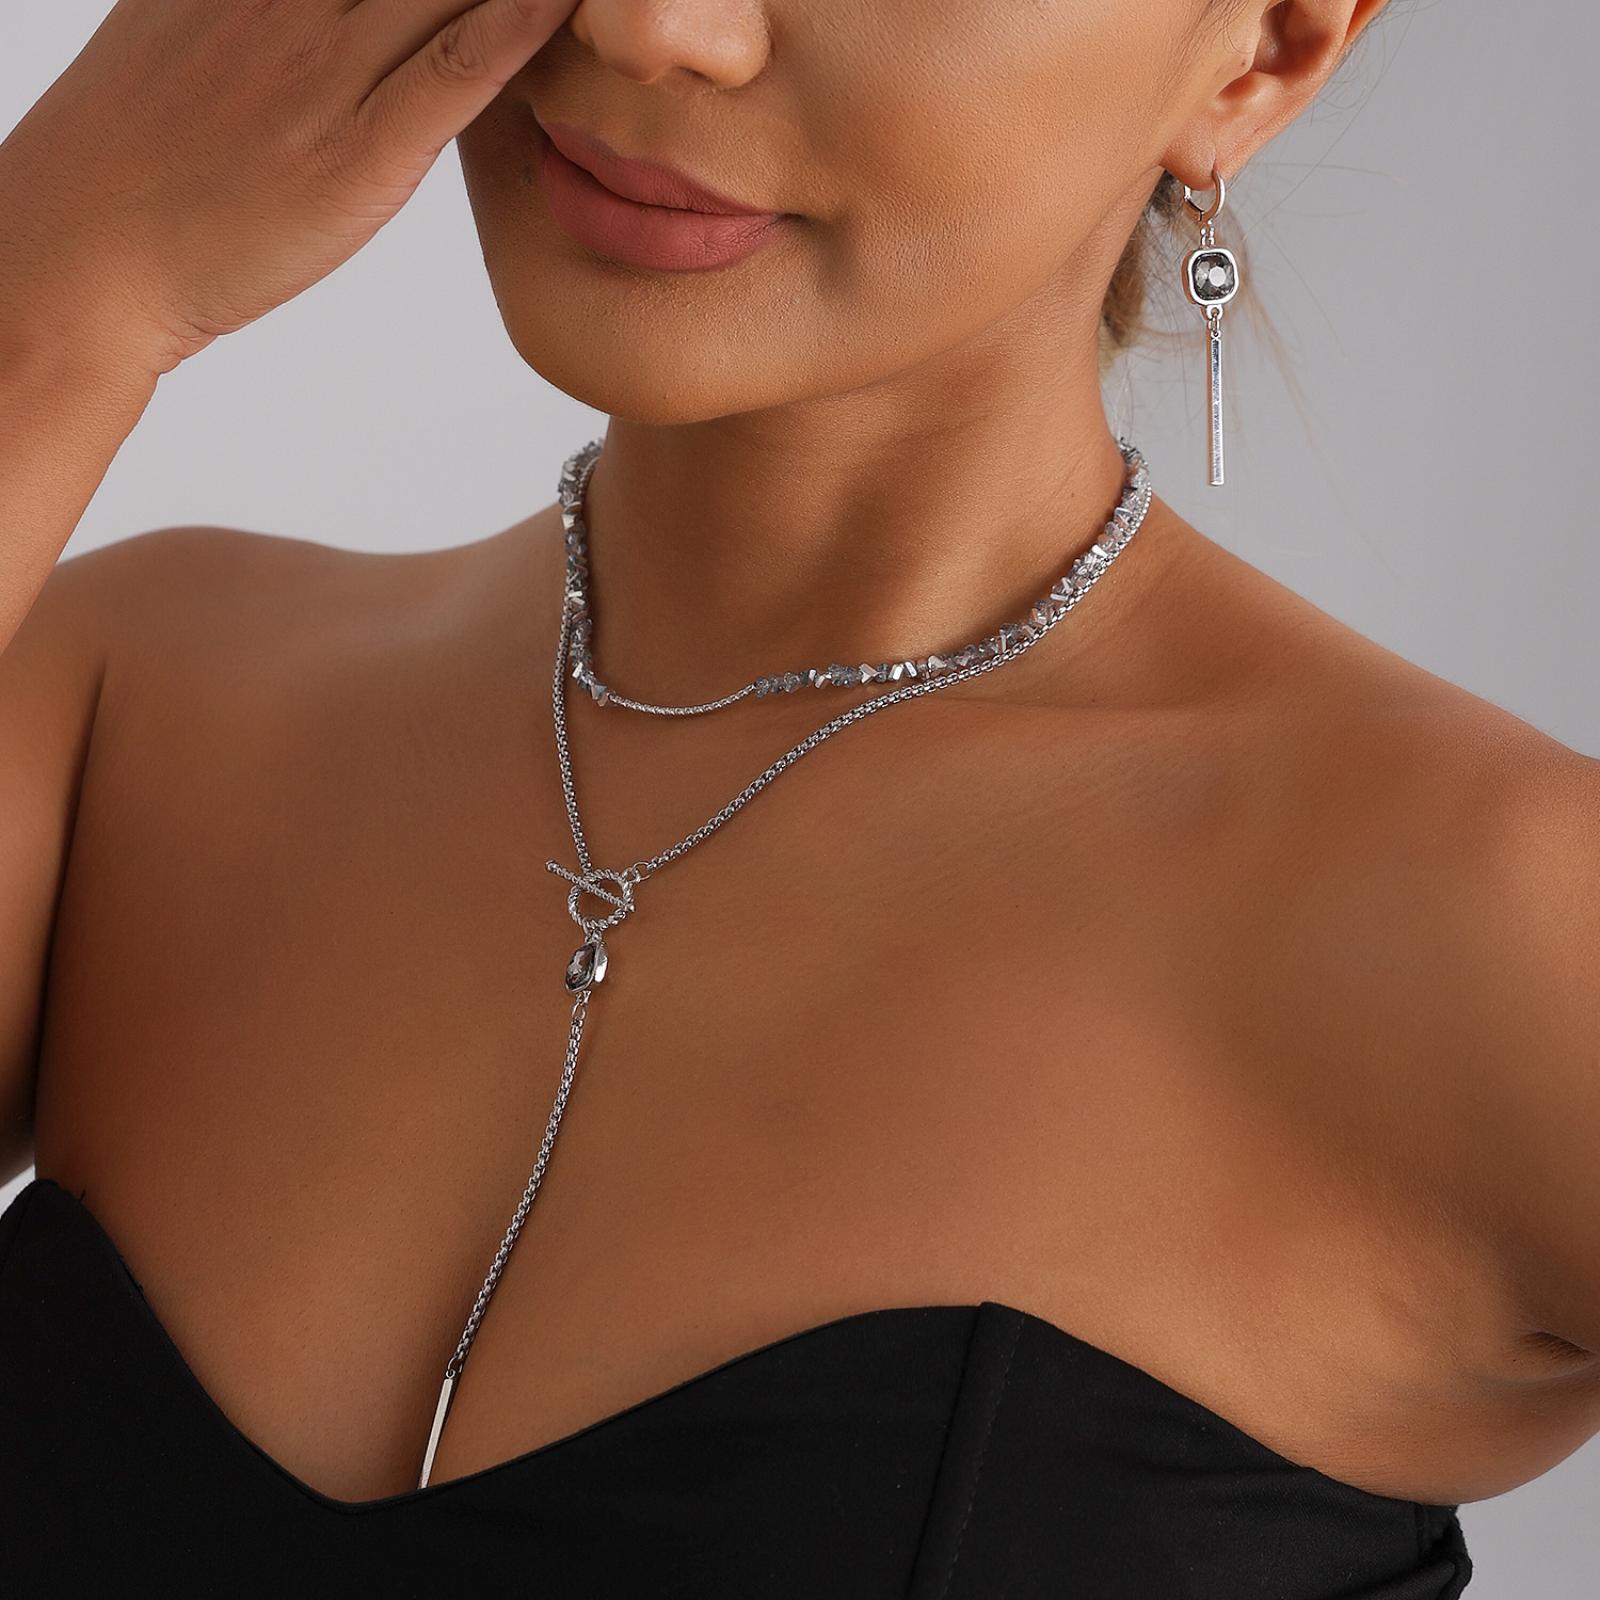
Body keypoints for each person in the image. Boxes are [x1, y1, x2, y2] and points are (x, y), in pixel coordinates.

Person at [0, 0, 1593, 1593]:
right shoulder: (123, 704)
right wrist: (65, 280)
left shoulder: (1502, 923)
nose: (650, 28)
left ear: (1268, 48)